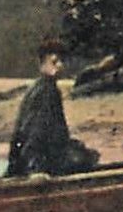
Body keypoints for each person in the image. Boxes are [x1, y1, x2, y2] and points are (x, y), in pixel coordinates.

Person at [7, 39, 100, 177]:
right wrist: (36, 170)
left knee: (86, 154)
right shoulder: (46, 90)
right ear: (42, 62)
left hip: (40, 156)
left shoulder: (39, 87)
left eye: (61, 61)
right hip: (45, 161)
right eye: (54, 62)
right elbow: (35, 130)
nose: (60, 66)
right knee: (86, 158)